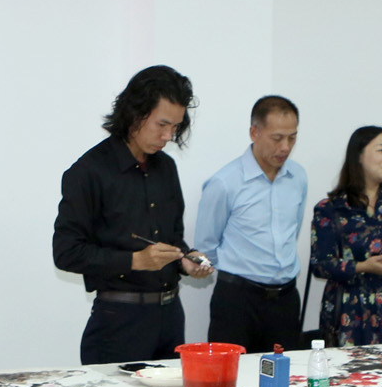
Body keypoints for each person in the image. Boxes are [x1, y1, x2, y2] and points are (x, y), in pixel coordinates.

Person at [53, 66, 212, 364]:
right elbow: (66, 253)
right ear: (135, 113)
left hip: (170, 316)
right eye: (162, 125)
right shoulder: (89, 172)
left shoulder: (166, 168)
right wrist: (136, 260)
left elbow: (172, 239)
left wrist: (186, 260)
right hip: (118, 322)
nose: (168, 136)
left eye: (175, 127)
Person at [197, 96, 307, 353]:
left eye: (292, 137)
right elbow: (206, 247)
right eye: (277, 138)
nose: (285, 147)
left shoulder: (298, 176)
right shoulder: (225, 182)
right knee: (230, 382)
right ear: (254, 132)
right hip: (238, 301)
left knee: (284, 380)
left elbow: (294, 231)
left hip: (285, 300)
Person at [310, 127, 382, 346]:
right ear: (359, 155)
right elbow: (320, 265)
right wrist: (362, 266)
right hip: (349, 313)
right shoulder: (331, 209)